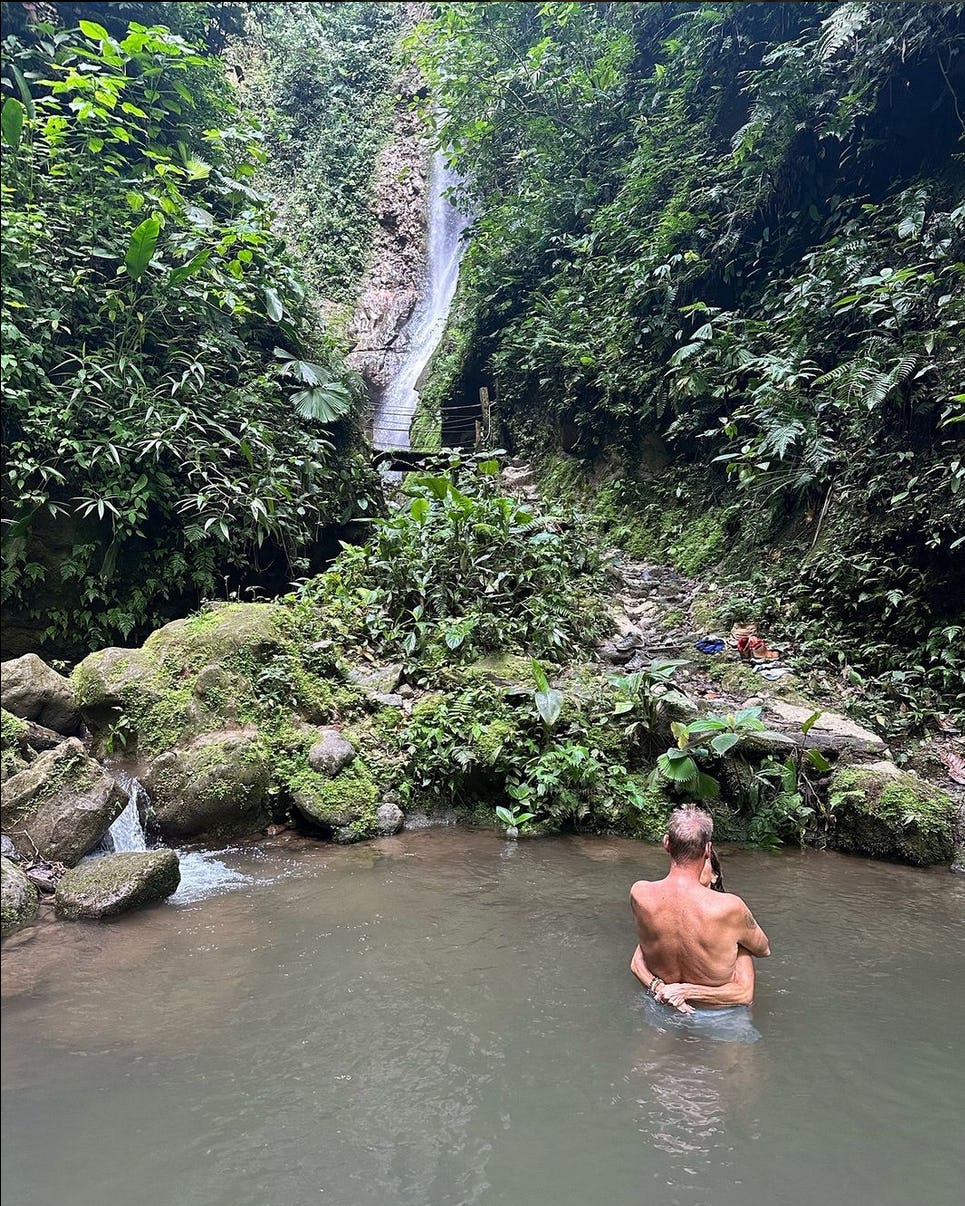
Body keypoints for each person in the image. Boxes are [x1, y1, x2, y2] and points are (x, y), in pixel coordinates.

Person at [629, 804, 770, 1014]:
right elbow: (764, 949)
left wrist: (662, 988)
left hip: (661, 1006)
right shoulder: (730, 907)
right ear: (707, 850)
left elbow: (640, 954)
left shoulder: (640, 894)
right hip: (719, 1015)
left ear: (666, 843)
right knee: (742, 944)